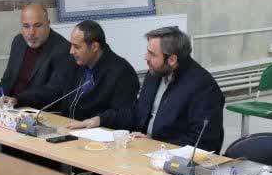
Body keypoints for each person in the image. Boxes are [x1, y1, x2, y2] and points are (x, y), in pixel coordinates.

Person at [74, 26, 224, 152]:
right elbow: (137, 113)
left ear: (172, 59)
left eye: (152, 54)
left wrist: (155, 144)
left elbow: (203, 141)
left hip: (173, 161)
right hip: (144, 151)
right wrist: (99, 119)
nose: (146, 57)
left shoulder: (203, 87)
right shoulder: (155, 73)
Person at [56, 20, 139, 121]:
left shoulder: (122, 72)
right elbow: (58, 95)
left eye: (77, 47)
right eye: (71, 45)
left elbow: (125, 114)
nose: (71, 51)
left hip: (97, 129)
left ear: (94, 47)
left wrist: (99, 120)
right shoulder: (76, 64)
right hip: (67, 125)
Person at [0, 3, 72, 108]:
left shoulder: (63, 49)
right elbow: (7, 79)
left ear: (48, 24)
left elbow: (52, 91)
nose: (31, 32)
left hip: (37, 111)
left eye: (37, 25)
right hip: (9, 108)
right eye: (26, 26)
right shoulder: (19, 41)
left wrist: (17, 100)